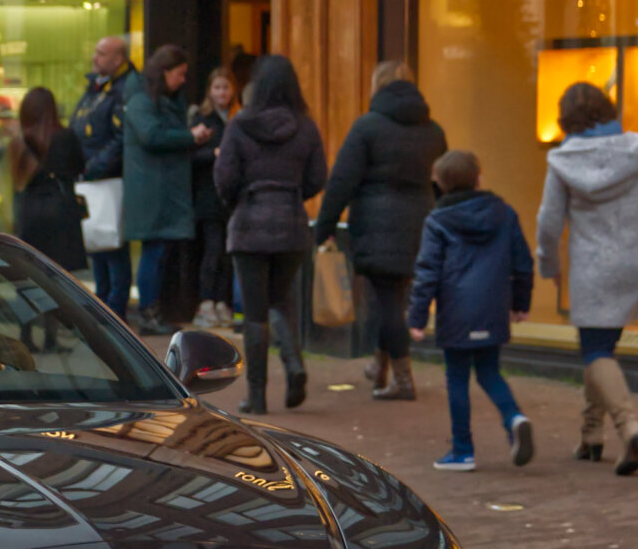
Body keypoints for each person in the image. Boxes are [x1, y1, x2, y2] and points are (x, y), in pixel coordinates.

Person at [534, 79, 638, 475]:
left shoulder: (563, 161)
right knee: (601, 346)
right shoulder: (637, 149)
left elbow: (549, 223)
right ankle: (590, 436)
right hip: (633, 261)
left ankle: (628, 425)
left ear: (566, 117)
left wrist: (548, 265)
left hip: (590, 267)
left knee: (595, 351)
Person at [315, 59, 447, 402]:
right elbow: (443, 180)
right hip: (421, 224)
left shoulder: (368, 127)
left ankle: (402, 378)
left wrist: (324, 226)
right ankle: (379, 365)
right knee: (394, 298)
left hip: (376, 225)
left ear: (378, 86)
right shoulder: (433, 131)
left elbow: (342, 180)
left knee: (387, 301)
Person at [211, 55, 327, 416]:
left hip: (248, 223)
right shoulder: (306, 128)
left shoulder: (239, 124)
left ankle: (257, 396)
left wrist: (241, 200)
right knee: (281, 300)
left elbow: (225, 177)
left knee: (256, 311)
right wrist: (291, 195)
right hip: (291, 224)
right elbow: (317, 177)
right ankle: (294, 366)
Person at [409, 149, 535, 472]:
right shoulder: (504, 213)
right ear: (479, 179)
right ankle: (514, 417)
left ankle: (463, 450)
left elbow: (428, 271)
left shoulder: (437, 220)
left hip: (456, 310)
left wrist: (418, 318)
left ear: (441, 185)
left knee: (457, 378)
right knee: (490, 371)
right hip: (493, 307)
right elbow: (523, 261)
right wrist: (521, 303)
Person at [123, 45, 207, 331]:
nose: (183, 80)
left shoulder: (161, 99)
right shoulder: (140, 99)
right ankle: (148, 311)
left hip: (163, 189)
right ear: (164, 71)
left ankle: (153, 311)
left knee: (160, 252)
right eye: (180, 74)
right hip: (153, 191)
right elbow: (151, 135)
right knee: (154, 252)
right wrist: (189, 136)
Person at [72, 35, 140, 320]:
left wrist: (93, 167)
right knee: (96, 246)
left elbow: (120, 139)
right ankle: (102, 310)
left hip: (108, 180)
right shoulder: (94, 88)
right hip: (88, 180)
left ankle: (115, 315)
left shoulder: (125, 89)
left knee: (113, 247)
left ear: (117, 58)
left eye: (101, 53)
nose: (94, 58)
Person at [7, 87, 85, 274]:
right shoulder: (65, 136)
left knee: (31, 273)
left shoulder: (19, 142)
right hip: (61, 210)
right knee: (61, 279)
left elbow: (15, 181)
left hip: (30, 211)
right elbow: (78, 167)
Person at [187, 67, 236, 328]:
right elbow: (190, 156)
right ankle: (206, 302)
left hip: (229, 196)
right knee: (213, 249)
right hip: (207, 194)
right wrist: (214, 154)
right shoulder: (202, 118)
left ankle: (221, 302)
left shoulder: (235, 118)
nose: (222, 93)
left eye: (226, 88)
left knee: (227, 253)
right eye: (217, 87)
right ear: (210, 90)